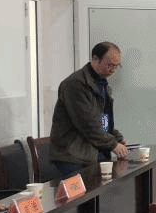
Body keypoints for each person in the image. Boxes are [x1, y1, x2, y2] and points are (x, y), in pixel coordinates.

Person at [49, 42, 127, 176]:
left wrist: (117, 138)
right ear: (95, 59)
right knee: (87, 188)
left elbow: (103, 120)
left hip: (93, 150)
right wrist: (113, 145)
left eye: (116, 66)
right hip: (73, 155)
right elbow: (87, 124)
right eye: (109, 65)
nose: (113, 70)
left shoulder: (103, 85)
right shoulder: (75, 84)